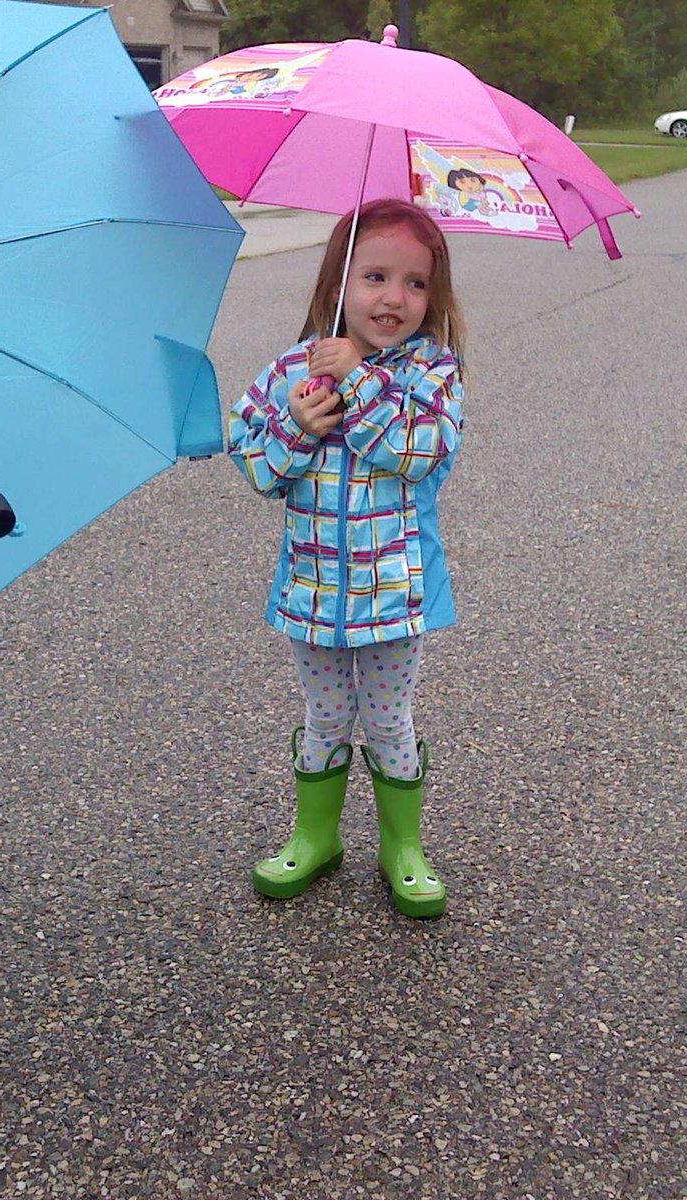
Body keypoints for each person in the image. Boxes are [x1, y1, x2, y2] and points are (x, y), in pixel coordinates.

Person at [227, 198, 465, 919]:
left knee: (388, 718)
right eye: (375, 277)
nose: (394, 298)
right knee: (327, 715)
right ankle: (316, 836)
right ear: (337, 285)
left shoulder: (434, 372)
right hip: (314, 589)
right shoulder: (293, 368)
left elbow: (417, 453)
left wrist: (359, 380)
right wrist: (297, 426)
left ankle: (403, 846)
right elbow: (257, 467)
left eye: (416, 283)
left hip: (394, 590)